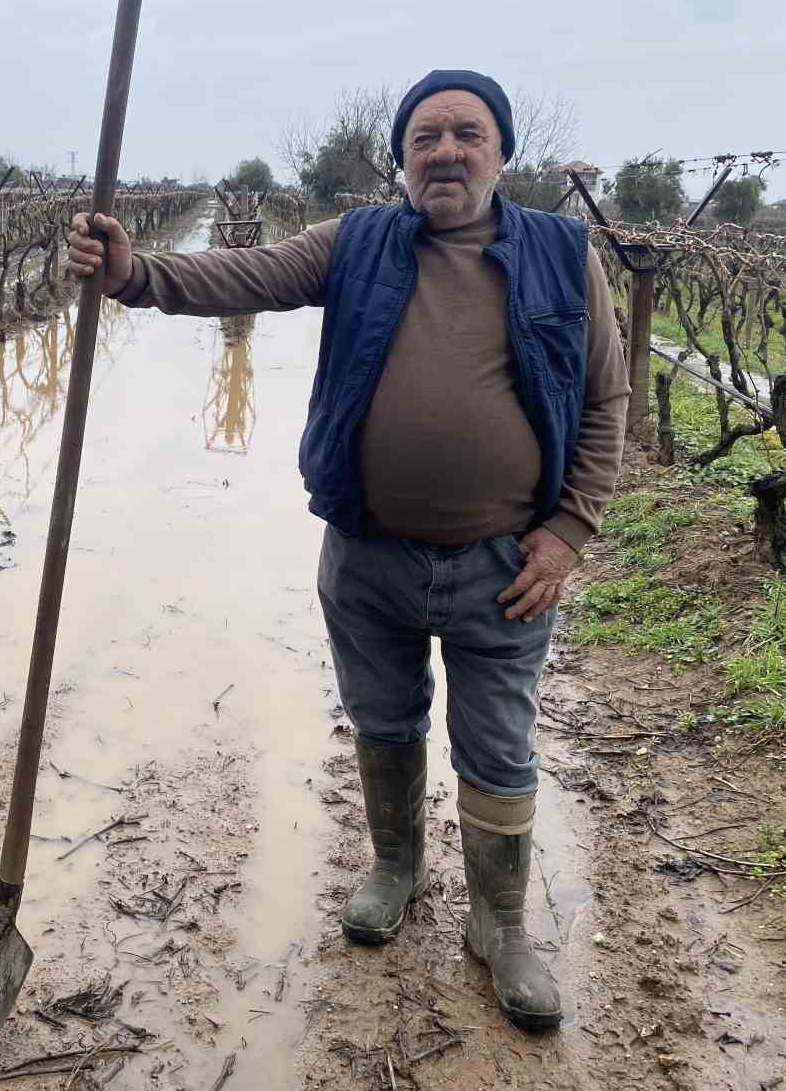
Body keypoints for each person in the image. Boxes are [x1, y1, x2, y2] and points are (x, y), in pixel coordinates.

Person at [67, 70, 629, 1031]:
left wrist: (568, 531)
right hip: (368, 556)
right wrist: (134, 275)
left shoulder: (561, 254)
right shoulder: (358, 243)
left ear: (502, 151)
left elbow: (609, 398)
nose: (445, 150)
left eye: (466, 132)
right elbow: (243, 275)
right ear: (400, 155)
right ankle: (396, 867)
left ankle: (500, 925)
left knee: (498, 746)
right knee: (382, 719)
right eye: (425, 136)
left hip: (505, 569)